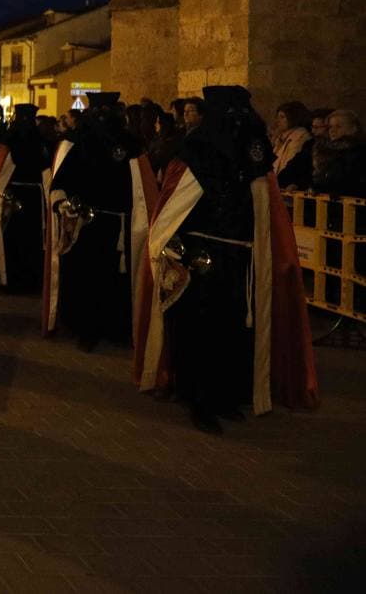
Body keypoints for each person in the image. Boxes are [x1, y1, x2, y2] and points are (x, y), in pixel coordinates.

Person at [134, 86, 317, 434]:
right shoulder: (198, 151)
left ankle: (226, 396)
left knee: (234, 330)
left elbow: (263, 206)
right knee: (200, 332)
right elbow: (174, 208)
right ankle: (198, 399)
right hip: (201, 261)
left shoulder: (251, 153)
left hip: (239, 257)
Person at [43, 93, 157, 351]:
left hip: (121, 224)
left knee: (117, 278)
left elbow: (141, 185)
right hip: (88, 224)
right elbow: (62, 182)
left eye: (107, 111)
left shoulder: (129, 144)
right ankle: (87, 328)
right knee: (89, 277)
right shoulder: (81, 143)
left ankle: (116, 328)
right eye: (99, 111)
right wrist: (64, 205)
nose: (103, 117)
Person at [0, 104, 51, 295]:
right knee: (24, 239)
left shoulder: (12, 139)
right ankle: (25, 281)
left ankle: (18, 280)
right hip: (26, 197)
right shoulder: (38, 140)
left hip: (19, 196)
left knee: (21, 240)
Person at [312, 109, 366, 197]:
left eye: (338, 126)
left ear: (353, 128)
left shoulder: (359, 152)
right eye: (330, 127)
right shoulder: (324, 150)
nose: (332, 130)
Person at [271, 101, 314, 191]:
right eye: (278, 117)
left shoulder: (299, 136)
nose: (278, 121)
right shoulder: (279, 138)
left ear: (293, 118)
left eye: (282, 117)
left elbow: (289, 160)